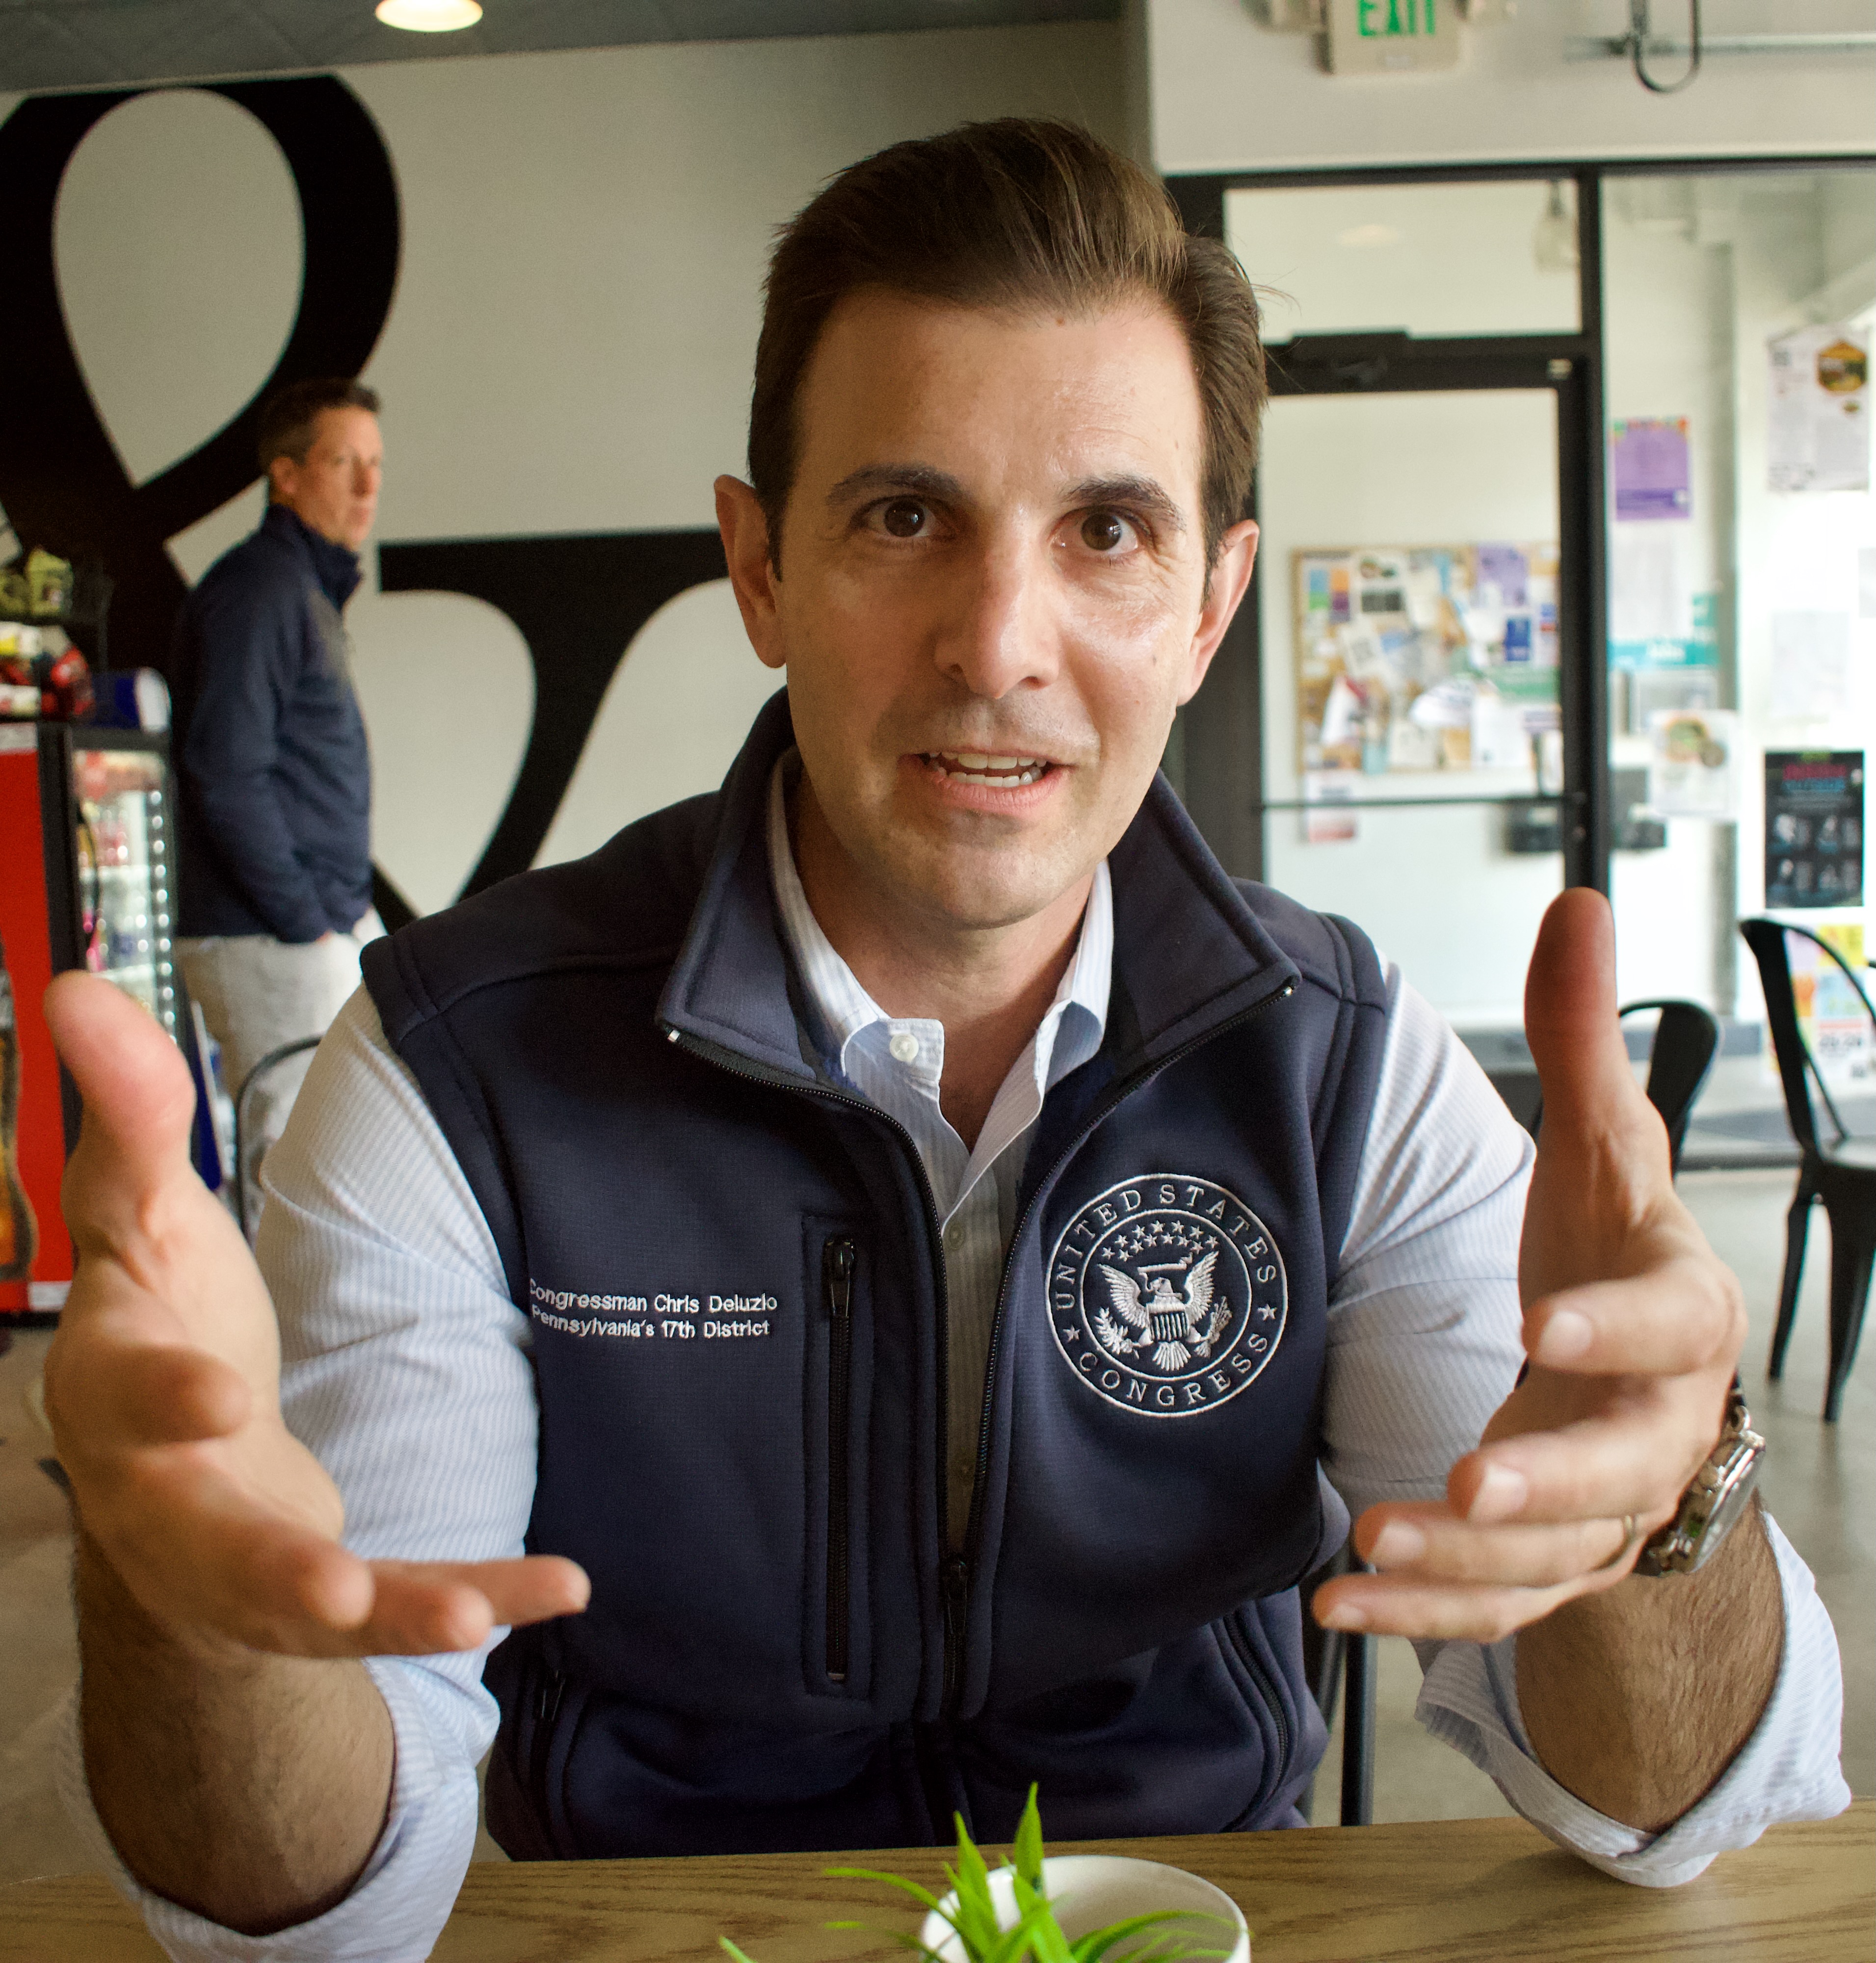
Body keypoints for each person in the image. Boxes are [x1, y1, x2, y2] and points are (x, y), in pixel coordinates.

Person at [44, 122, 1845, 1959]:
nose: (997, 646)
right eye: (904, 518)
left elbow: (1666, 1815)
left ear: (1210, 606)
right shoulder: (458, 1068)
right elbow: (308, 1917)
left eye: (1108, 532)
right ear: (759, 567)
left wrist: (1667, 1496)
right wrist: (187, 1606)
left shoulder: (1341, 1070)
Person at [169, 377, 386, 1210]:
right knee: (295, 1171)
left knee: (327, 1159)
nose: (367, 486)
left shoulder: (300, 586)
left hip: (307, 924)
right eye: (343, 462)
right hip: (268, 933)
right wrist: (306, 920)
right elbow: (226, 770)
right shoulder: (260, 589)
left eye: (376, 464)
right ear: (286, 475)